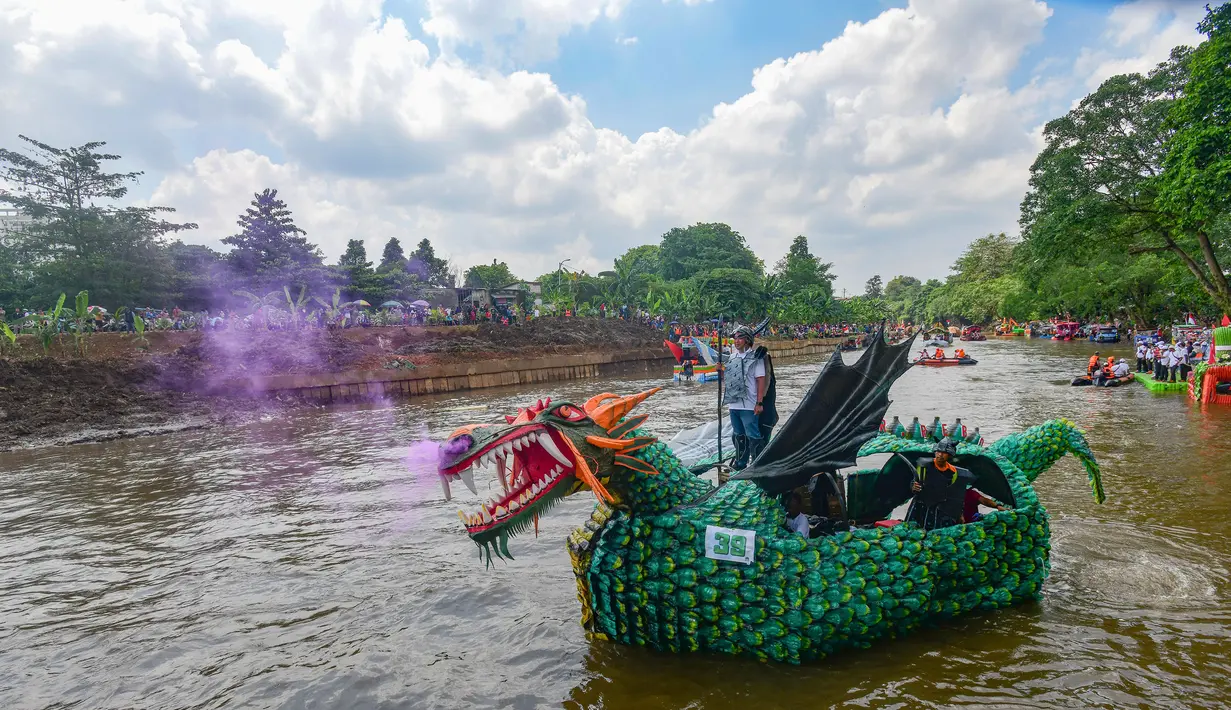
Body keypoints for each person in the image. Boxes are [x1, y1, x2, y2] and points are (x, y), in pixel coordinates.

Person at [723, 325, 767, 470]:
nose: (736, 341)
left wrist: (759, 402)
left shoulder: (756, 357)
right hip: (733, 404)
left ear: (747, 340)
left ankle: (757, 465)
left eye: (739, 338)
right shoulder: (732, 356)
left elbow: (761, 380)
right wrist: (720, 370)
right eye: (735, 338)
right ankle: (741, 463)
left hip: (749, 404)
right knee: (738, 435)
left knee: (752, 435)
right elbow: (730, 377)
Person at [906, 438, 975, 531]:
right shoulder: (924, 465)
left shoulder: (954, 472)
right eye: (938, 452)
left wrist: (959, 514)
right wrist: (914, 486)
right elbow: (915, 482)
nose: (940, 455)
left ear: (949, 455)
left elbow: (957, 495)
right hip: (921, 506)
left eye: (943, 453)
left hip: (941, 509)